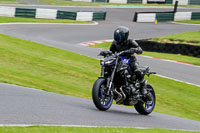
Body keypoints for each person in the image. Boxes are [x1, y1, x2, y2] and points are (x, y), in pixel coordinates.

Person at [109, 26, 149, 98]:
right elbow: (111, 52)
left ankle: (142, 87)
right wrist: (105, 53)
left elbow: (140, 49)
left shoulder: (130, 41)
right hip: (119, 60)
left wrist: (134, 50)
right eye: (117, 36)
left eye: (119, 36)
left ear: (125, 36)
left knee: (137, 71)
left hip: (130, 59)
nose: (118, 38)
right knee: (110, 66)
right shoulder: (114, 43)